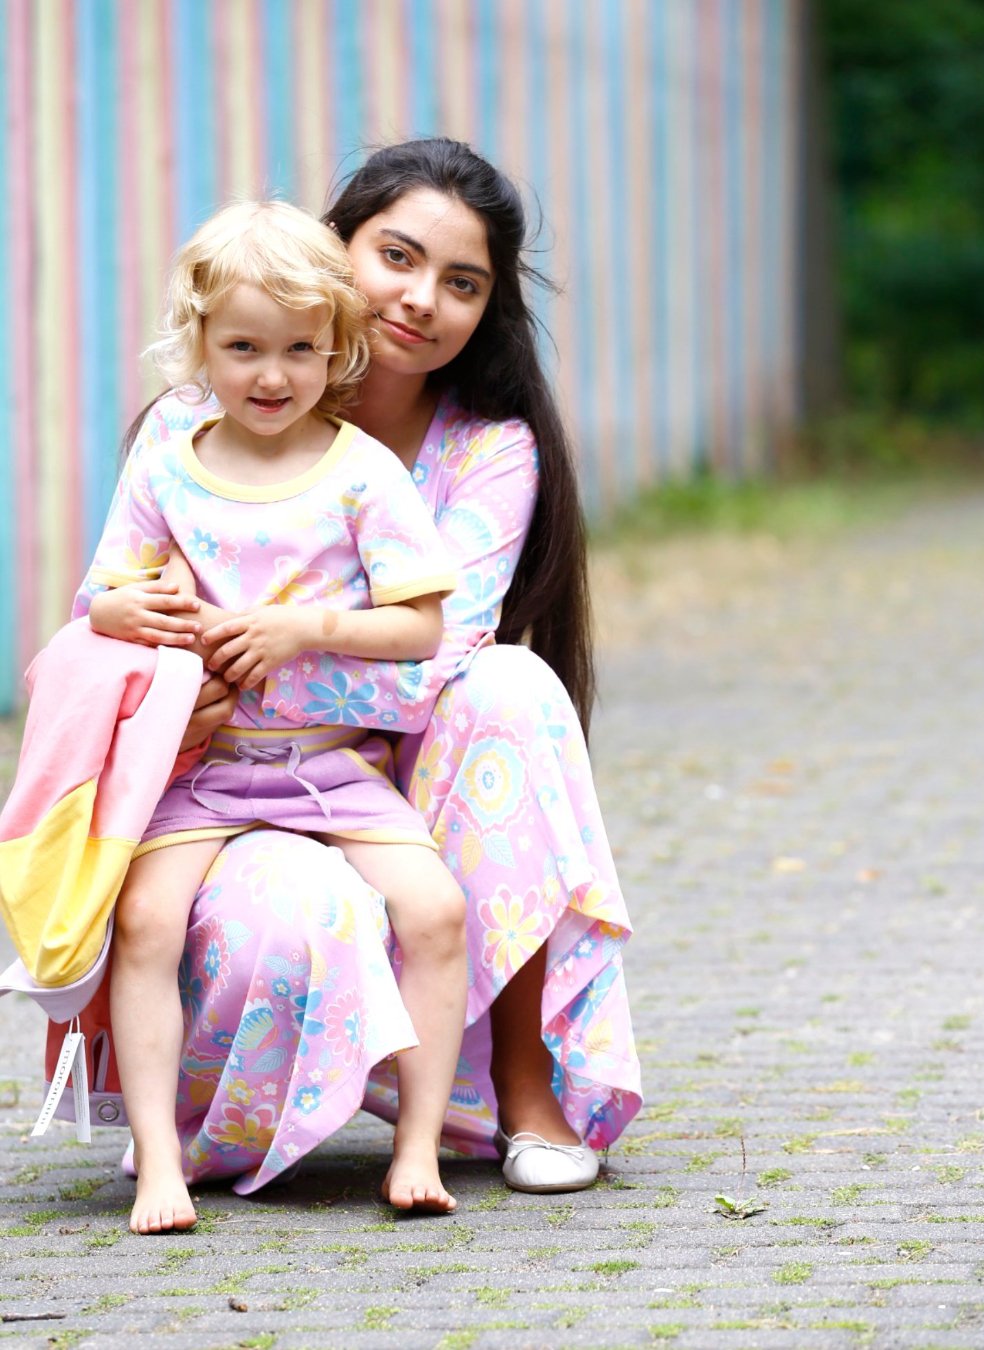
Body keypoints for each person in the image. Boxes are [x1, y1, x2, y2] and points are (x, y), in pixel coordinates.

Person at [76, 137, 642, 1204]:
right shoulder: (191, 434)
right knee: (281, 917)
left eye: (462, 284)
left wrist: (254, 649)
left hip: (397, 783)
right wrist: (172, 667)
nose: (423, 299)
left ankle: (520, 1083)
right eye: (397, 255)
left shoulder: (486, 451)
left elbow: (437, 663)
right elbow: (115, 619)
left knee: (509, 691)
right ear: (333, 249)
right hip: (225, 781)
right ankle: (198, 1127)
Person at [80, 200, 467, 1231]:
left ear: (337, 347)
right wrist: (129, 609)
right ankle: (160, 1160)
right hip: (202, 769)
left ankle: (417, 1149)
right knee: (148, 921)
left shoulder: (360, 473)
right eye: (243, 346)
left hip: (330, 770)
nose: (270, 374)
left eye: (300, 349)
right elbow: (98, 602)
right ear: (198, 342)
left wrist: (306, 629)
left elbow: (424, 625)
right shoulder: (169, 466)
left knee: (435, 912)